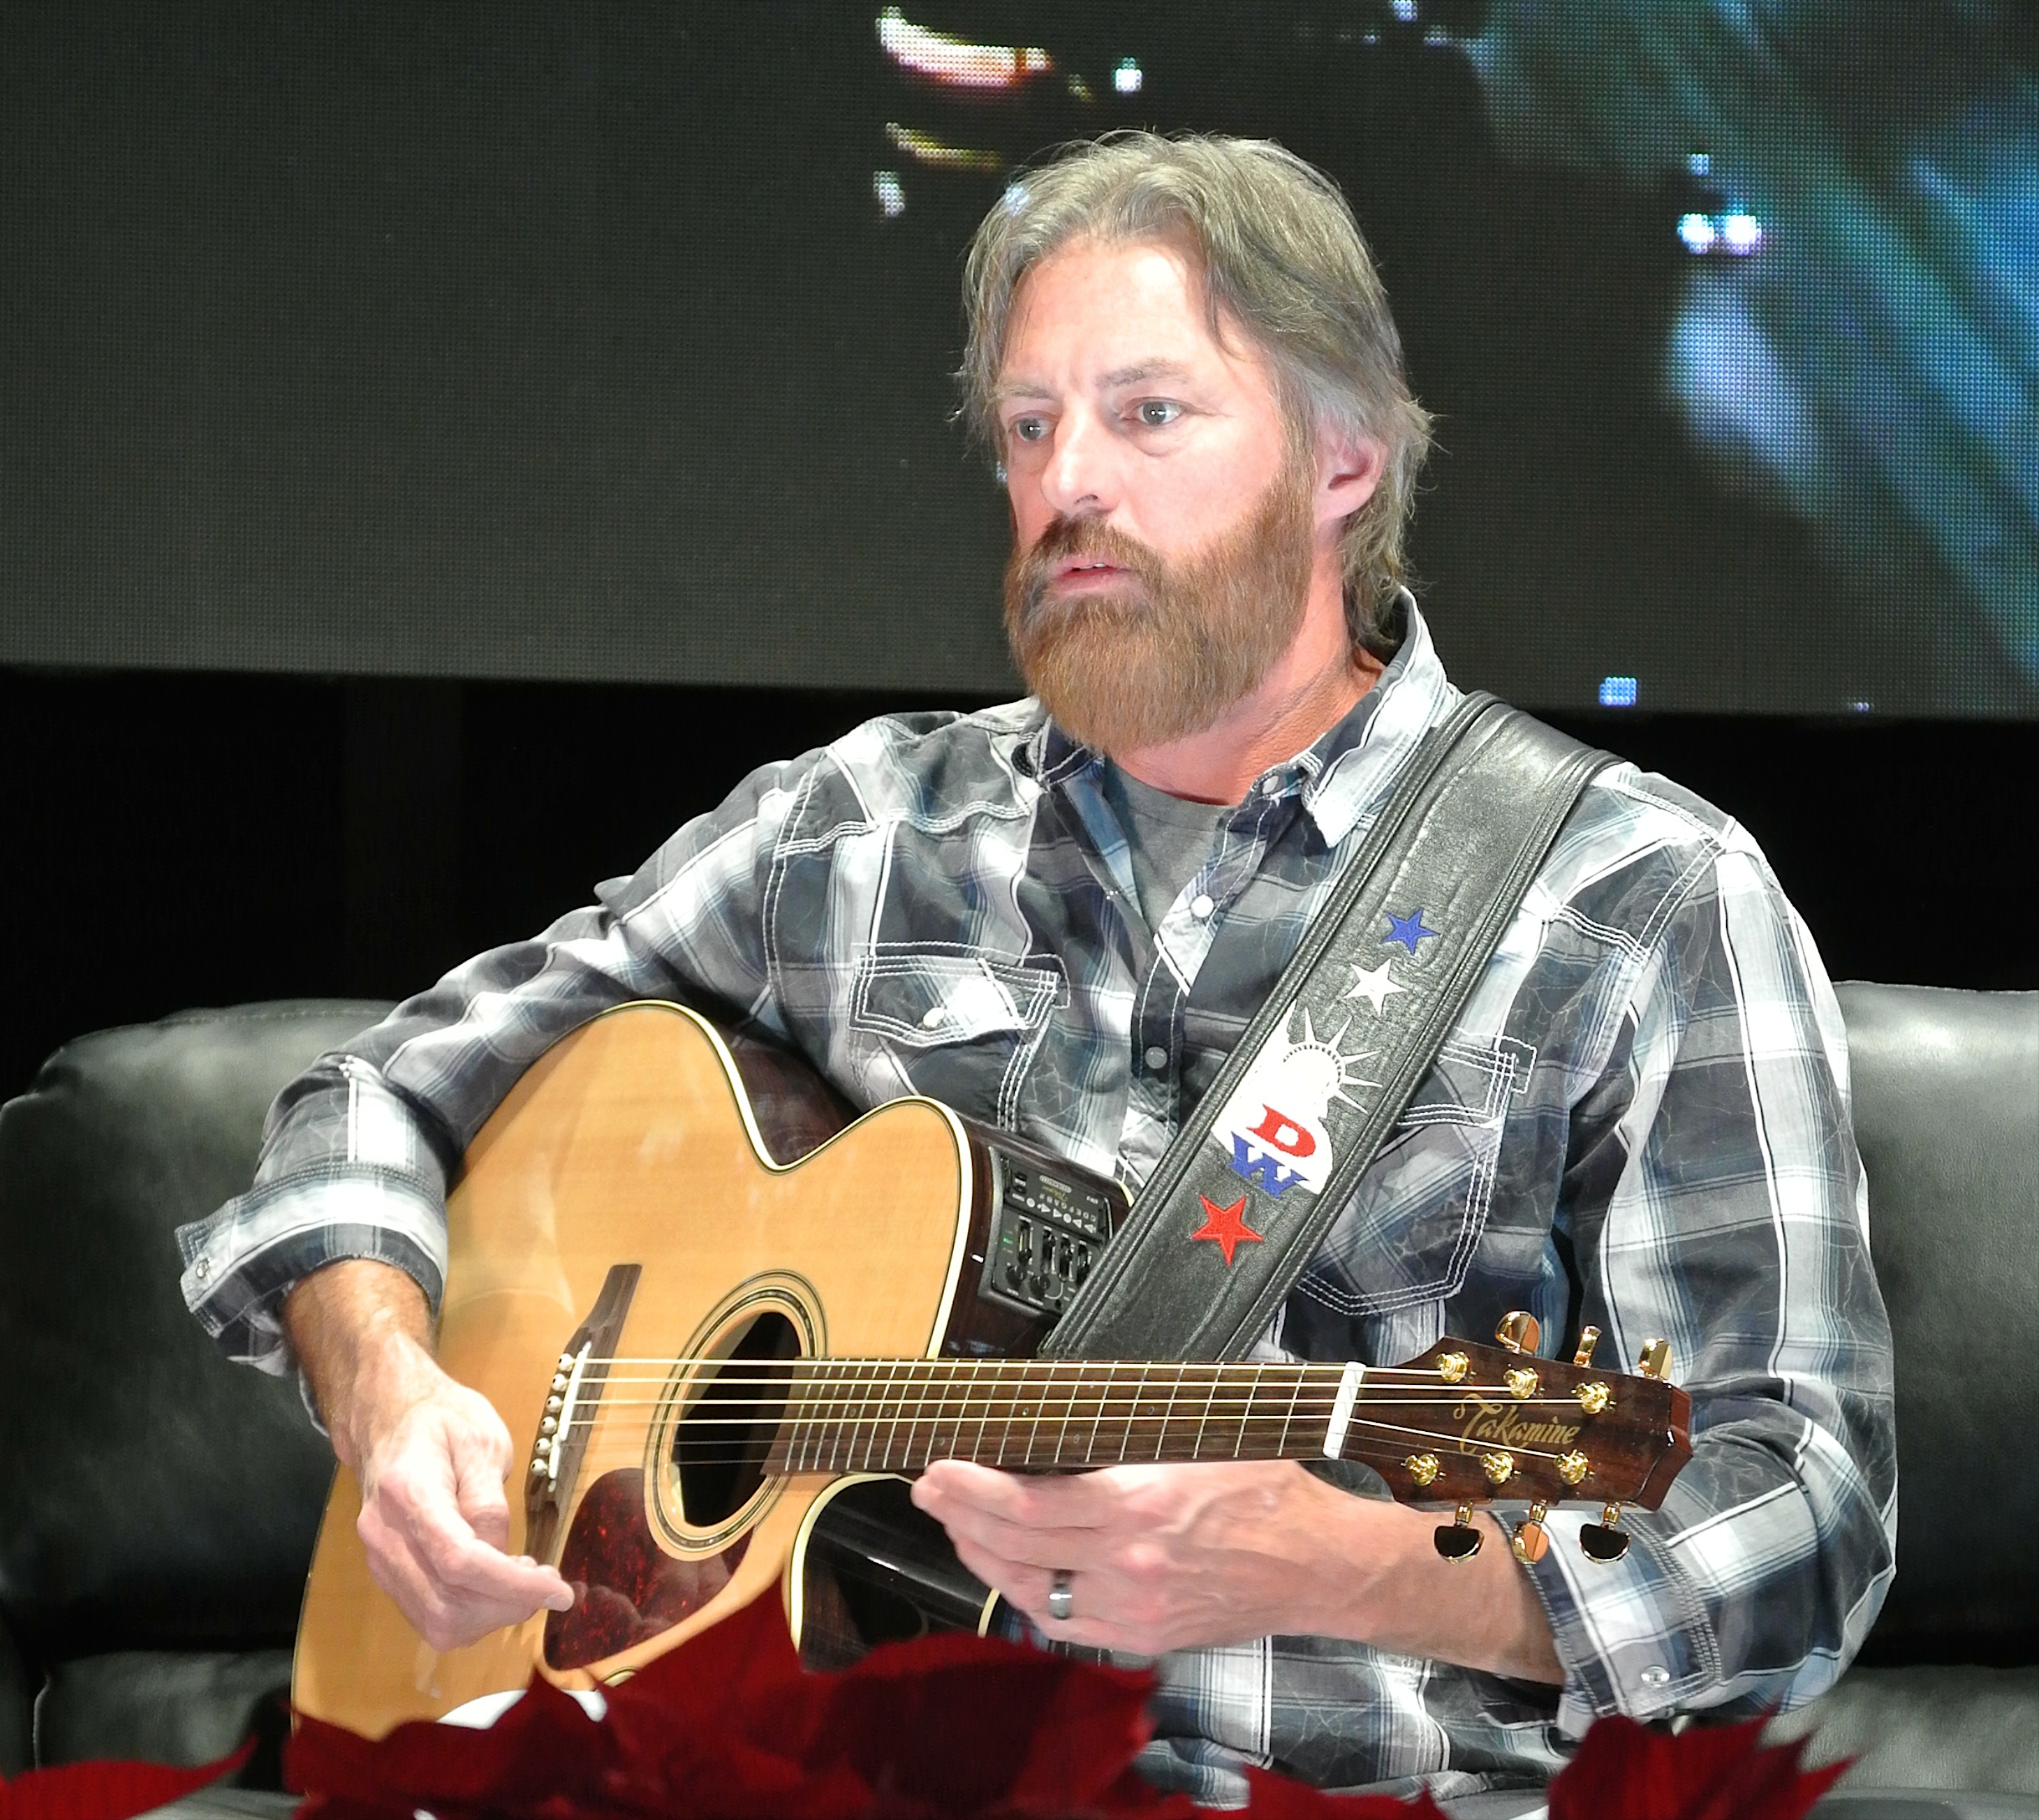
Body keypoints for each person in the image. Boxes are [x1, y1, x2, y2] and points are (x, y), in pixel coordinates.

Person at [179, 134, 1894, 1804]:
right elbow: (378, 1098)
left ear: (1344, 460)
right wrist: (392, 1385)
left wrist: (1364, 1565)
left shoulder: (1636, 895)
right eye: (1029, 423)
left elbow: (1800, 1505)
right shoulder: (849, 829)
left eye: (1149, 413)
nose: (1070, 479)